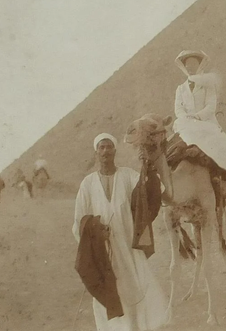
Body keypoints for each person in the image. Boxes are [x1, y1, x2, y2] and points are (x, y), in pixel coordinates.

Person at [72, 133, 168, 331]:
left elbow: (148, 190)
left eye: (109, 147)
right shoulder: (88, 184)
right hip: (102, 251)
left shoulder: (128, 176)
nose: (106, 151)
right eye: (102, 147)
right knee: (109, 291)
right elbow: (79, 222)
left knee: (134, 288)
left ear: (115, 151)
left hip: (128, 248)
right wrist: (96, 231)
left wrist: (147, 168)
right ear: (96, 152)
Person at [170, 50, 226, 206]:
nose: (190, 68)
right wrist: (187, 118)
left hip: (206, 122)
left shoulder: (208, 85)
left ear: (199, 65)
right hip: (186, 124)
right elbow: (178, 109)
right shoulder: (180, 89)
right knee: (170, 151)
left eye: (193, 64)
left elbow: (210, 106)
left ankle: (222, 181)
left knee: (216, 148)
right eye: (187, 65)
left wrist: (197, 117)